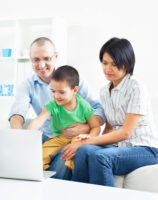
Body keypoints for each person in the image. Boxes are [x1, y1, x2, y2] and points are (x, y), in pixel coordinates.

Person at [66, 37, 158, 186]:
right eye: (105, 63)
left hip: (146, 149)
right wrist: (88, 142)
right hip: (120, 146)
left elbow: (125, 133)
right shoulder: (105, 91)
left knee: (101, 157)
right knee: (84, 151)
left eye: (114, 64)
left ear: (126, 64)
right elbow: (109, 129)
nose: (108, 69)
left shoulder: (136, 88)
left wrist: (90, 140)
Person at [9, 37, 105, 179]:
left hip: (76, 136)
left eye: (46, 58)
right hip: (51, 137)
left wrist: (85, 128)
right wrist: (21, 138)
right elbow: (20, 115)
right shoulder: (29, 86)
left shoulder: (73, 79)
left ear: (56, 57)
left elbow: (98, 109)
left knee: (67, 157)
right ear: (30, 59)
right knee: (27, 157)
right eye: (36, 60)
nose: (41, 65)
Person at [27, 65, 100, 171]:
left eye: (61, 92)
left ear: (74, 90)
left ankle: (71, 169)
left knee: (72, 154)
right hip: (59, 138)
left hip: (79, 137)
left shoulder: (84, 106)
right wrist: (27, 134)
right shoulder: (53, 104)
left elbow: (96, 127)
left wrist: (88, 140)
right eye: (53, 91)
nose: (56, 96)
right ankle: (40, 174)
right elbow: (40, 119)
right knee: (40, 155)